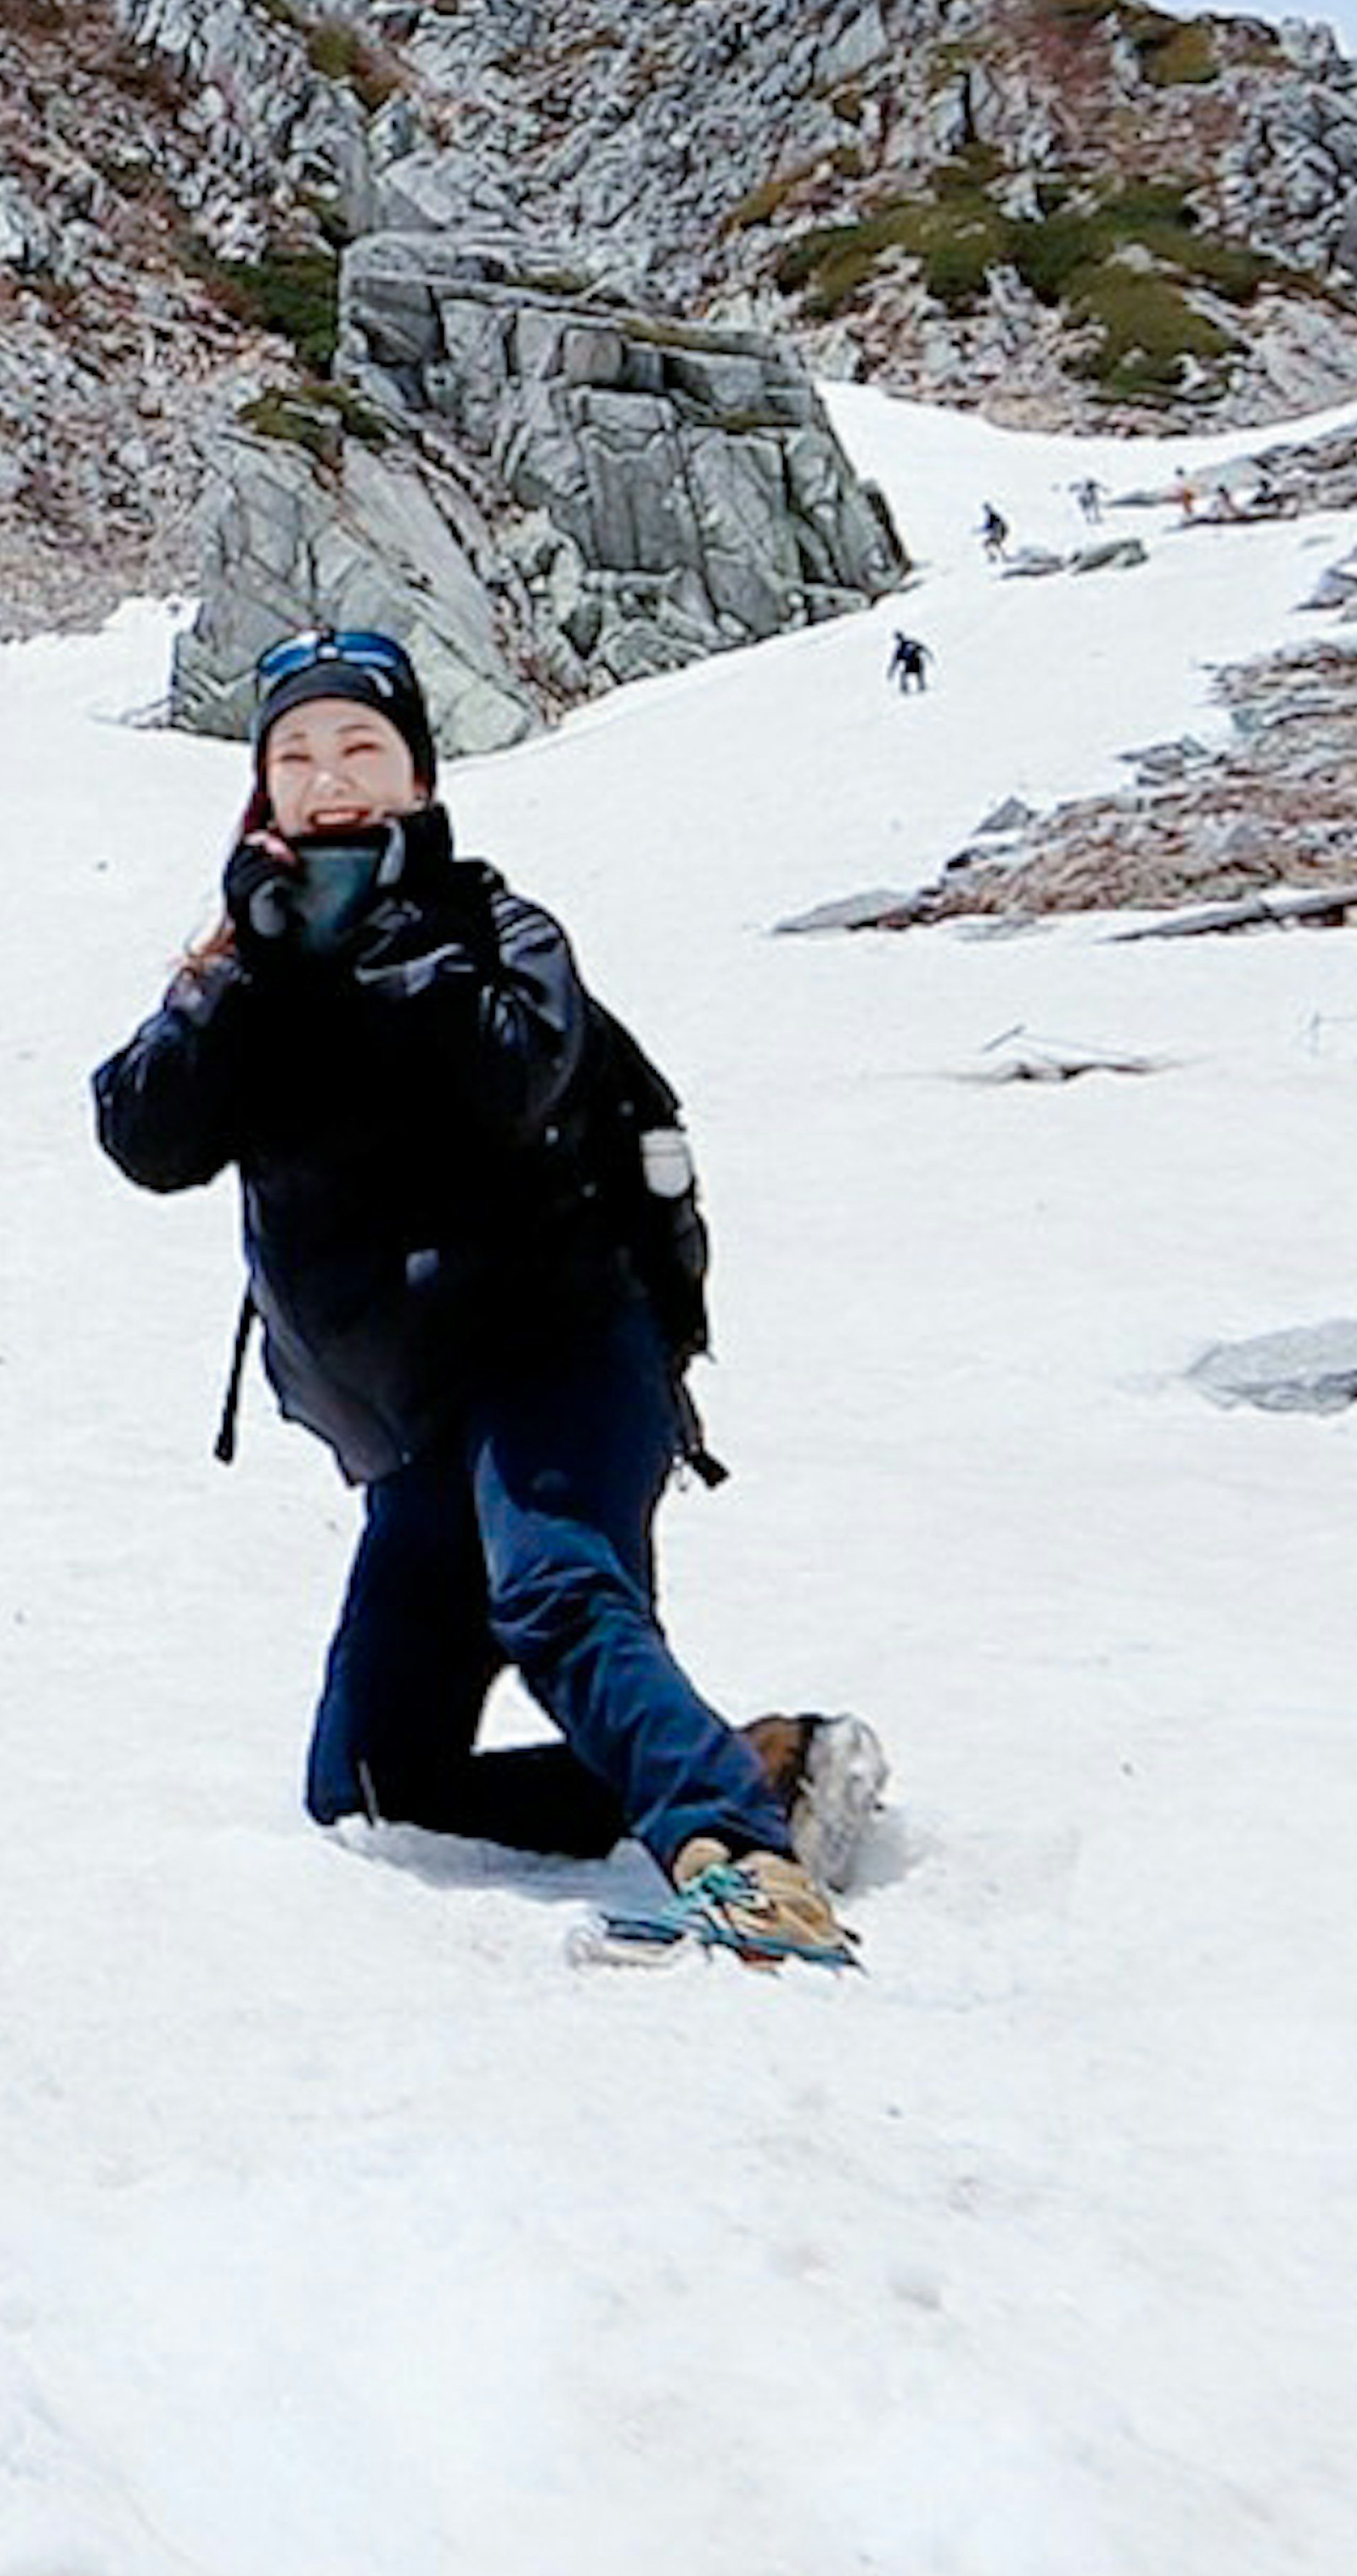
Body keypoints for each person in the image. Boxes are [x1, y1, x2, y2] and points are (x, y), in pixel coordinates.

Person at [91, 628, 880, 1966]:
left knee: (561, 1591)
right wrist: (261, 976)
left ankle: (741, 1861)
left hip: (565, 1349)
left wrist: (382, 941)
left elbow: (513, 1083)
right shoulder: (246, 968)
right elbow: (145, 1140)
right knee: (374, 1790)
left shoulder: (501, 932)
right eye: (295, 755)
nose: (329, 778)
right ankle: (752, 1770)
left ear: (415, 775)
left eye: (360, 748)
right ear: (262, 789)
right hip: (412, 1422)